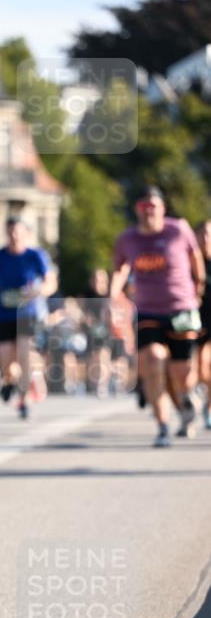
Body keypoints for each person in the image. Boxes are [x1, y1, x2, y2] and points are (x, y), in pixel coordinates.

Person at [110, 186, 205, 447]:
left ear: (163, 209)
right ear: (137, 210)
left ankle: (186, 398)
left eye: (154, 206)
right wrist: (112, 295)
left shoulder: (179, 230)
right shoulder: (128, 239)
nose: (149, 211)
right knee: (153, 362)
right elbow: (119, 269)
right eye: (144, 207)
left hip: (181, 307)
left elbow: (195, 255)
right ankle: (163, 426)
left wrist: (200, 283)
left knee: (181, 372)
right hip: (148, 309)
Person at [0, 217, 56, 418]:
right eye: (10, 232)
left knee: (24, 353)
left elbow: (50, 283)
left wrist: (38, 292)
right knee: (5, 360)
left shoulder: (36, 255)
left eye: (18, 232)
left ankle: (23, 399)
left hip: (28, 314)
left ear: (26, 234)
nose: (14, 236)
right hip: (5, 314)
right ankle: (8, 381)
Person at [196, 220, 211, 429]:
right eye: (203, 234)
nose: (207, 238)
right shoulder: (190, 262)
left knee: (207, 363)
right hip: (195, 320)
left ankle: (208, 407)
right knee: (199, 368)